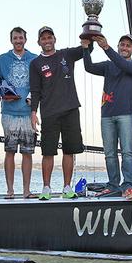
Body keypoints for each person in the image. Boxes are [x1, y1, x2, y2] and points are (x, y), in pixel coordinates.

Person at [29, 26, 88, 200]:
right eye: (43, 38)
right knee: (48, 152)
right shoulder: (35, 63)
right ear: (39, 42)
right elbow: (35, 90)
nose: (47, 41)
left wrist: (89, 34)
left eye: (49, 37)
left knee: (69, 150)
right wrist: (33, 112)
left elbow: (85, 47)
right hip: (49, 113)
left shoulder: (66, 55)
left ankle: (67, 187)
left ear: (55, 39)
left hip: (70, 109)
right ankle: (46, 188)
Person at [82, 34, 132, 200]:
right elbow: (89, 67)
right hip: (107, 115)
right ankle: (113, 185)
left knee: (127, 152)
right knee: (109, 153)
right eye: (122, 44)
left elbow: (124, 66)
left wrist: (107, 48)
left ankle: (129, 185)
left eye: (128, 46)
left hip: (126, 115)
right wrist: (86, 48)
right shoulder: (109, 65)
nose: (124, 48)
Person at [0, 27, 38, 199]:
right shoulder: (2, 59)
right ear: (11, 40)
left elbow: (39, 84)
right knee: (10, 151)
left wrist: (33, 100)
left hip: (28, 112)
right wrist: (4, 94)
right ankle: (10, 190)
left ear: (25, 39)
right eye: (15, 38)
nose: (18, 41)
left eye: (21, 38)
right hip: (9, 112)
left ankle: (26, 190)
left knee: (27, 152)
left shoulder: (34, 59)